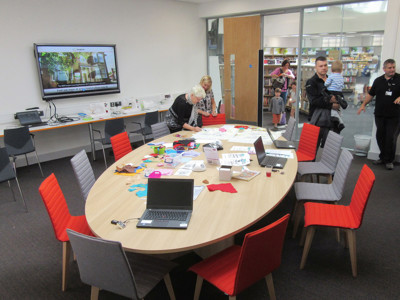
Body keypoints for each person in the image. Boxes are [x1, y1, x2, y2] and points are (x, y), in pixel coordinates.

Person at [357, 58, 400, 170]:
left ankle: (389, 160)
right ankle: (383, 157)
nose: (392, 70)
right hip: (380, 114)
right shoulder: (378, 81)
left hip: (394, 115)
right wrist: (363, 104)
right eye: (389, 68)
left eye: (393, 67)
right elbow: (371, 94)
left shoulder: (399, 78)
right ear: (384, 69)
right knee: (380, 136)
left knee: (390, 137)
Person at [306, 56, 340, 148]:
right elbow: (314, 101)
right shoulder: (311, 82)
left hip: (331, 120)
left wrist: (337, 101)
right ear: (316, 67)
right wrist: (331, 103)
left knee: (329, 149)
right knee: (312, 149)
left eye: (325, 65)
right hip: (316, 120)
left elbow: (340, 96)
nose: (323, 68)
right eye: (320, 66)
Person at [270, 60, 295, 125]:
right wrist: (280, 75)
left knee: (282, 105)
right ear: (283, 65)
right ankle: (276, 120)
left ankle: (281, 120)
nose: (286, 67)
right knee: (276, 104)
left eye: (287, 65)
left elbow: (293, 77)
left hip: (284, 89)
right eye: (285, 65)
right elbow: (272, 74)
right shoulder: (279, 69)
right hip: (278, 89)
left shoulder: (289, 71)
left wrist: (287, 75)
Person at [325, 60, 347, 133]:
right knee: (338, 107)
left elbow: (326, 84)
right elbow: (342, 85)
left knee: (332, 108)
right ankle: (339, 118)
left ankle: (337, 120)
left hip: (331, 92)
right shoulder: (341, 77)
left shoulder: (331, 76)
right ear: (341, 70)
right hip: (339, 94)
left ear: (331, 69)